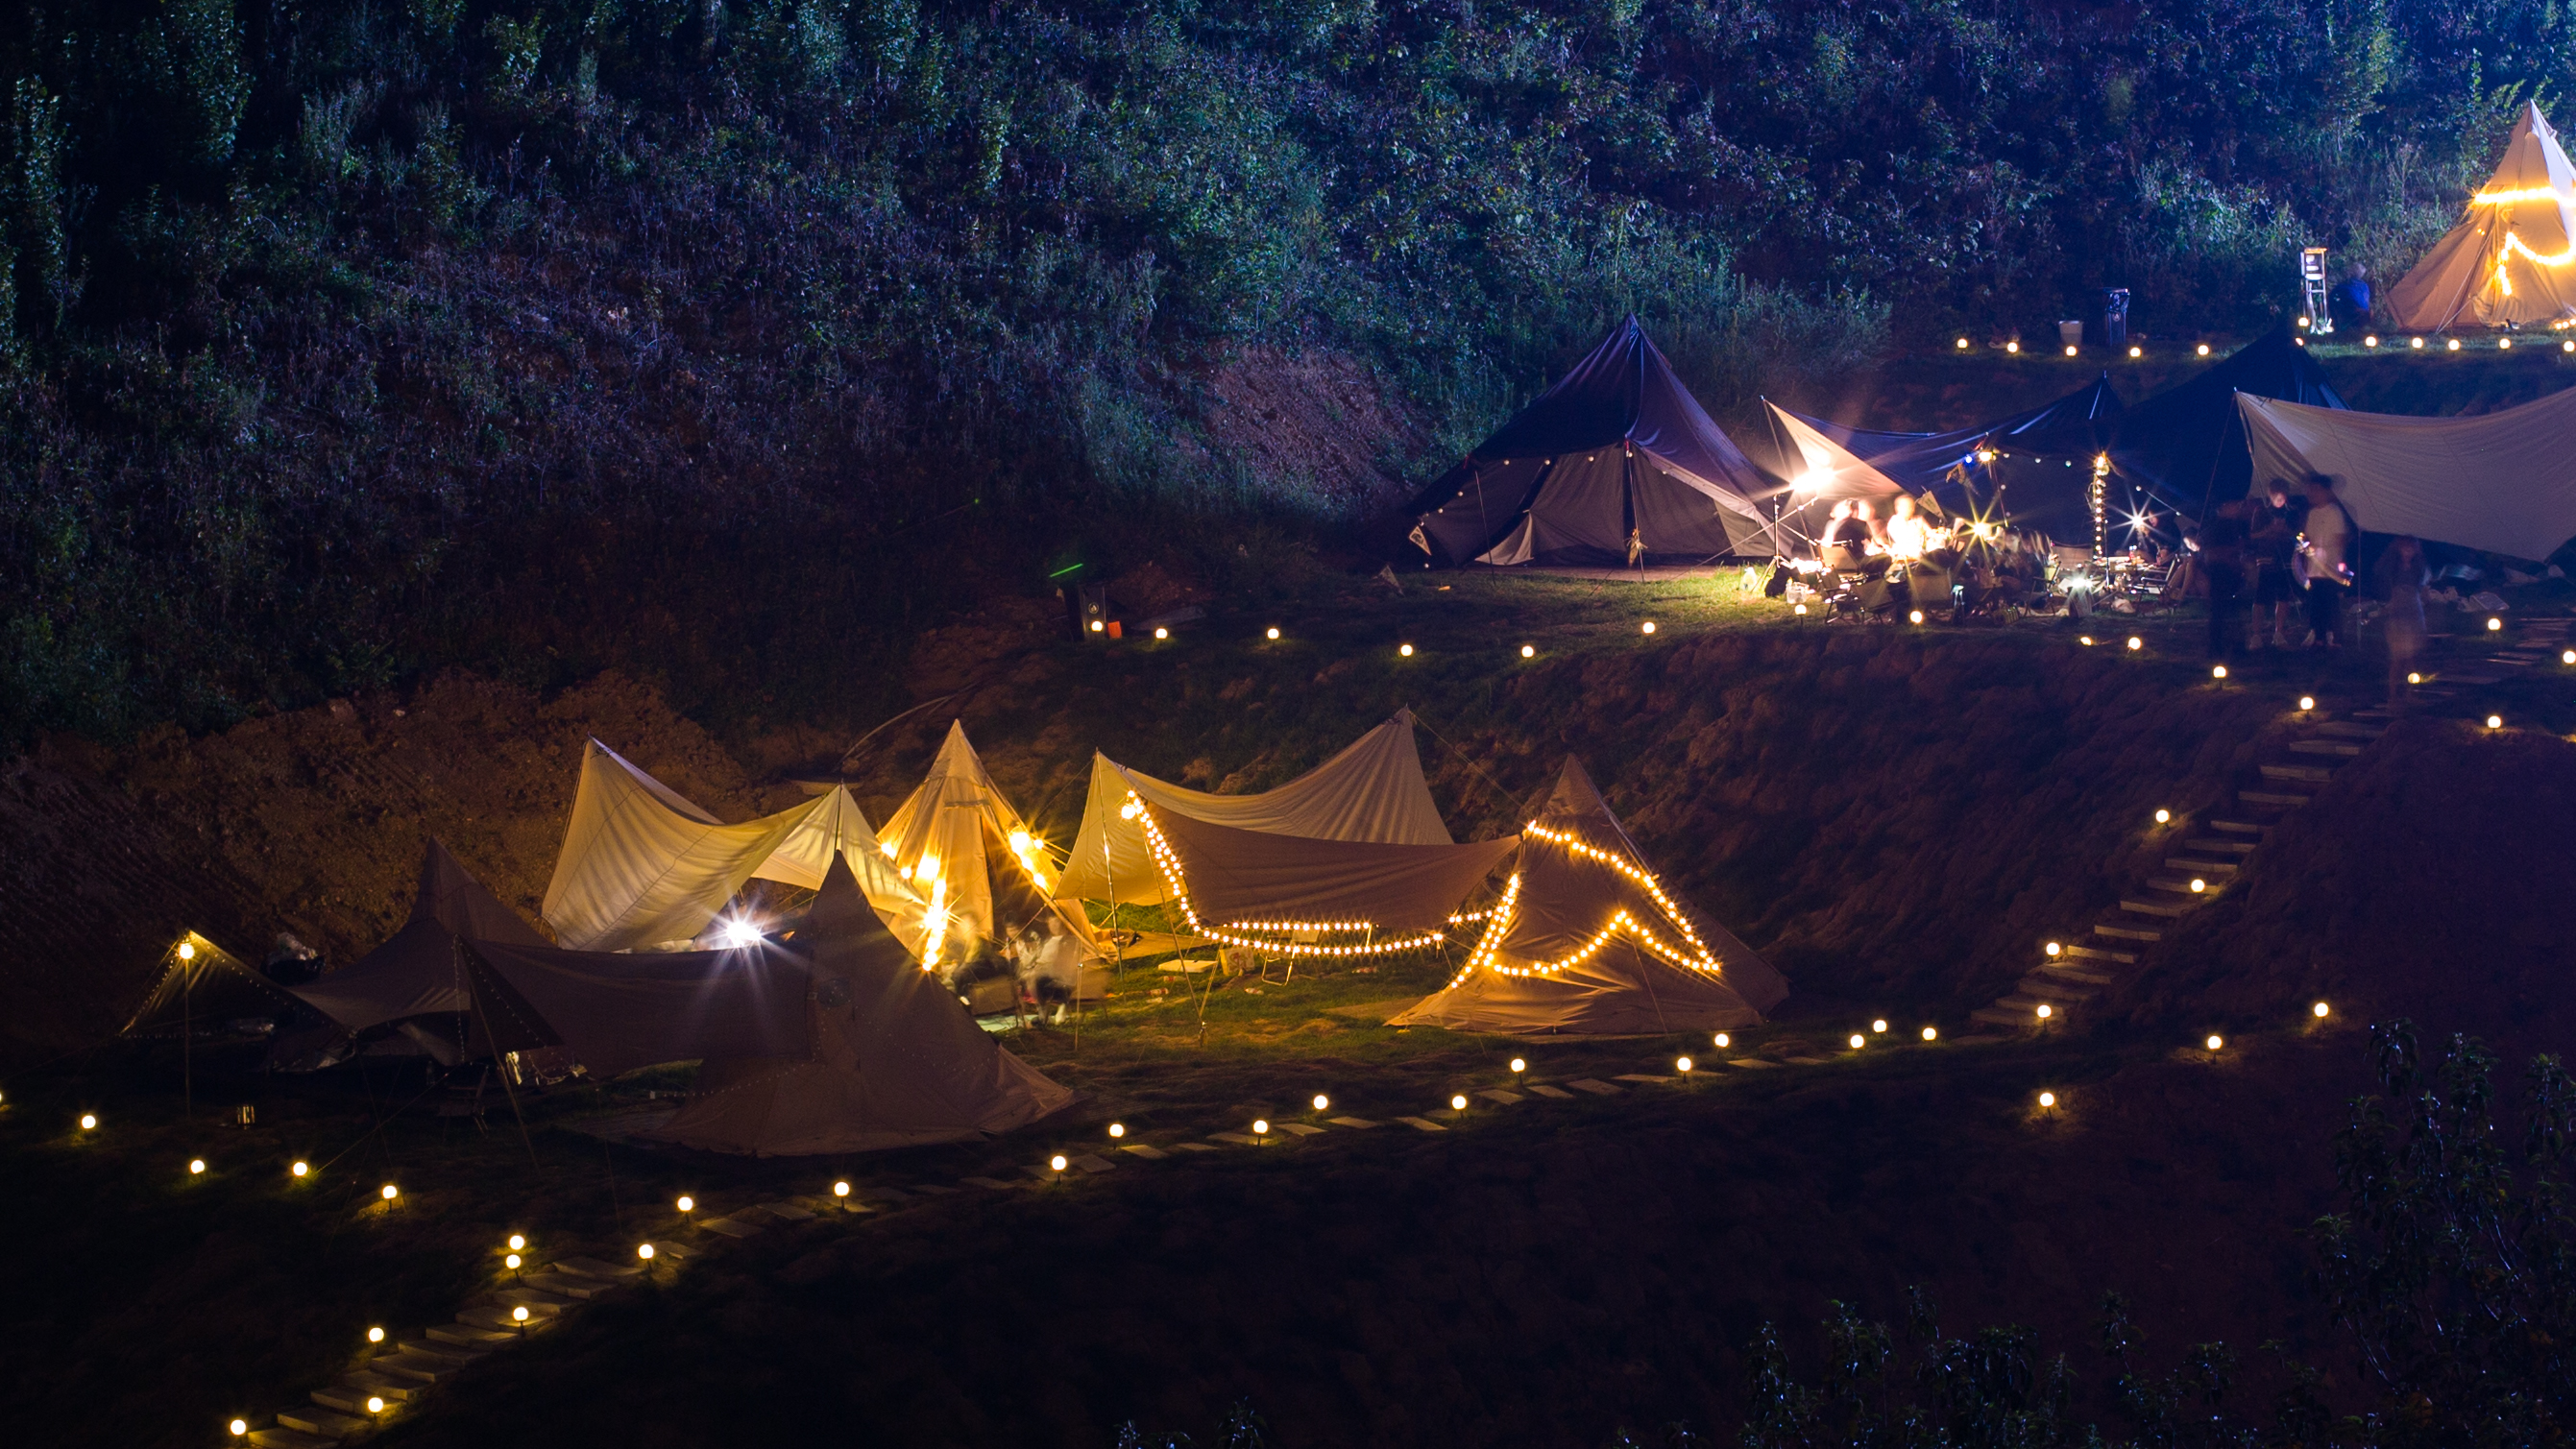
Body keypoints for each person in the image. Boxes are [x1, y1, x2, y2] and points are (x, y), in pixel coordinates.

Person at [2299, 473, 2355, 650]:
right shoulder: (2312, 513)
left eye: (2316, 490)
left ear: (2326, 492)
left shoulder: (2334, 513)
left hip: (2329, 568)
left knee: (2330, 603)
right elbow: (2307, 536)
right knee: (2316, 603)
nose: (2311, 494)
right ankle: (2319, 636)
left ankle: (2335, 638)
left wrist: (2321, 549)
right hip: (2313, 568)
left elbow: (2340, 538)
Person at [2376, 534, 2431, 707]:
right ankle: (2392, 695)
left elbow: (2422, 587)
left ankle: (2410, 692)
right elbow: (2382, 576)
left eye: (2411, 548)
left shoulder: (2419, 567)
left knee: (2411, 657)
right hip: (2398, 611)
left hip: (2413, 609)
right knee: (2397, 657)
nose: (2408, 552)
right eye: (2405, 548)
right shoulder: (2392, 566)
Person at [2248, 480, 2304, 647]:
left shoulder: (2292, 513)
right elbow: (2252, 535)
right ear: (2269, 494)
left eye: (2281, 494)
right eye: (2275, 494)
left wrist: (2286, 531)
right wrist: (2268, 531)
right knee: (2260, 596)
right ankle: (2256, 635)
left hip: (2286, 558)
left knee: (2283, 596)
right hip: (2266, 558)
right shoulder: (2262, 512)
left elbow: (2299, 534)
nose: (2278, 498)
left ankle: (2278, 633)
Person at [2198, 500, 2249, 659]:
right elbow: (2211, 552)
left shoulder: (2234, 525)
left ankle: (2233, 647)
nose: (2237, 508)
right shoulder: (2217, 527)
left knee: (2230, 611)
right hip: (2220, 573)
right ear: (2223, 507)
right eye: (2233, 505)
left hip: (2231, 573)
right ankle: (2217, 648)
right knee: (2219, 612)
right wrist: (2234, 552)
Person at [1884, 495, 1932, 563]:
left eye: (1912, 506)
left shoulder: (1919, 518)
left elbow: (1930, 532)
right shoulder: (1894, 522)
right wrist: (1920, 533)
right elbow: (1904, 540)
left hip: (1925, 547)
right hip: (1908, 552)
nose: (1911, 509)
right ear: (1898, 508)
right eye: (1908, 507)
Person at [2329, 263, 2372, 332]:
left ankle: (2336, 326)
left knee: (2333, 302)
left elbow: (2333, 293)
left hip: (2352, 311)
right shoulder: (2364, 285)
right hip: (2365, 312)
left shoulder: (2347, 284)